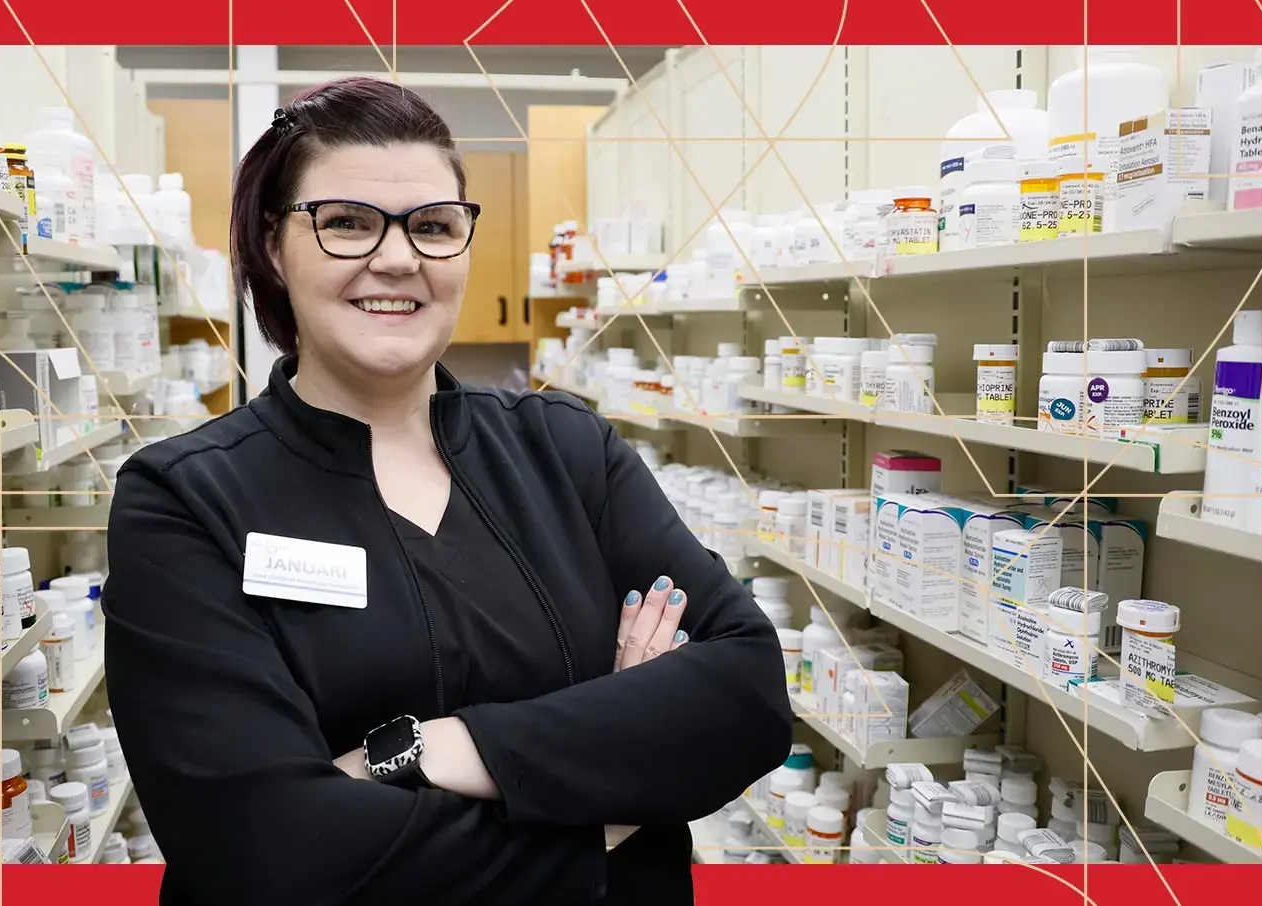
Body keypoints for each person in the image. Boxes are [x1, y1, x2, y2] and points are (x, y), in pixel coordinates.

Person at [104, 76, 793, 906]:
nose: (396, 258)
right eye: (346, 223)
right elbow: (269, 852)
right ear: (273, 246)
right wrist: (612, 775)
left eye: (432, 226)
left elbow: (748, 692)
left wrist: (421, 750)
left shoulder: (567, 450)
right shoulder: (186, 499)